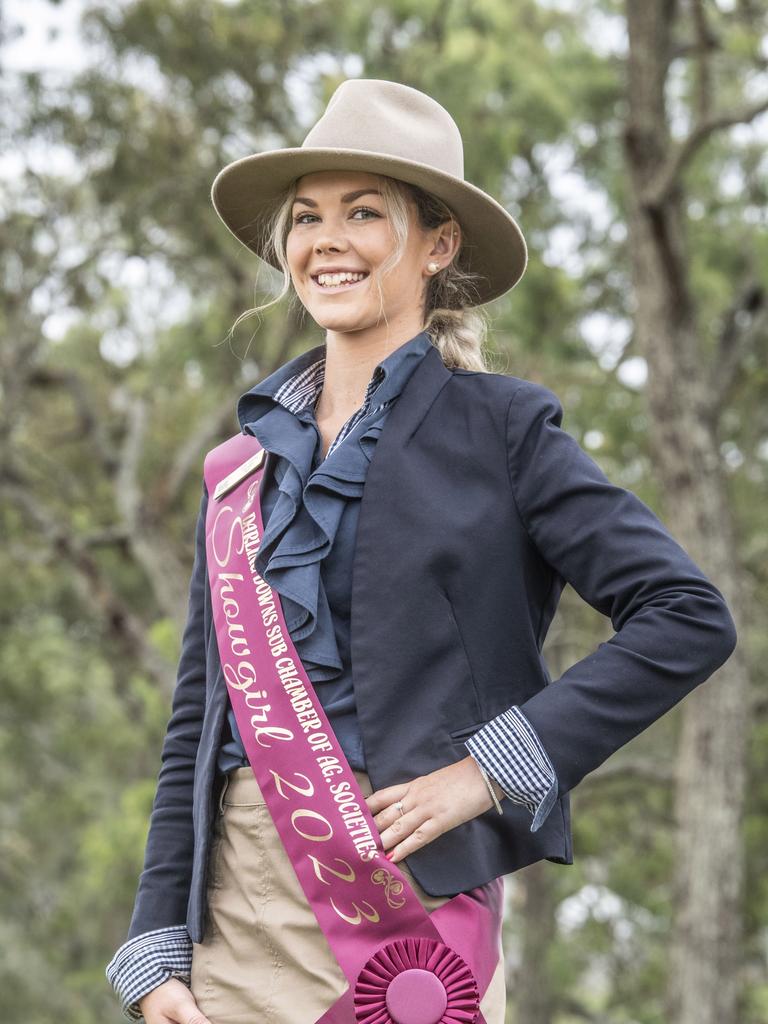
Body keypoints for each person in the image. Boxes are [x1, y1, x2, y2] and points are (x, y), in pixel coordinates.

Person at [105, 79, 737, 1024]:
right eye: (308, 216)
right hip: (232, 916)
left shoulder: (506, 430)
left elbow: (688, 618)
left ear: (438, 246)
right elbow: (198, 723)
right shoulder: (238, 469)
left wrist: (491, 770)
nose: (328, 240)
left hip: (407, 900)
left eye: (366, 212)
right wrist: (156, 944)